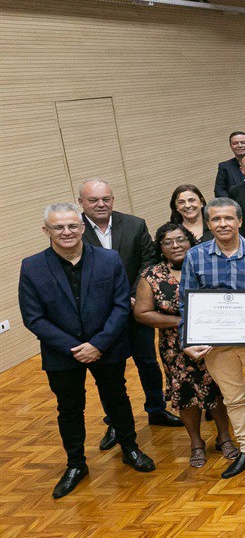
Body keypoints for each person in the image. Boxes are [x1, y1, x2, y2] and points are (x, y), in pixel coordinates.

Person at [19, 204, 157, 498]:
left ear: (82, 227)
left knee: (117, 398)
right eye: (58, 227)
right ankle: (76, 464)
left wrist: (98, 344)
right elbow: (33, 317)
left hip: (107, 347)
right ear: (46, 231)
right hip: (62, 353)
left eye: (72, 225)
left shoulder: (109, 259)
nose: (66, 232)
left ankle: (130, 448)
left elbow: (121, 304)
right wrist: (75, 348)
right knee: (69, 409)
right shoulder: (31, 267)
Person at [180, 197, 245, 478]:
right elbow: (186, 303)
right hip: (216, 345)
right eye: (216, 219)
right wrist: (188, 340)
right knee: (234, 399)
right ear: (208, 223)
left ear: (239, 221)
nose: (222, 224)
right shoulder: (195, 256)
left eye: (228, 218)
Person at [78, 179, 180, 432]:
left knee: (148, 363)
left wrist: (134, 296)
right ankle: (115, 422)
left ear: (113, 200)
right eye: (93, 200)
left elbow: (148, 261)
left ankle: (156, 409)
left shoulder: (135, 224)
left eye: (106, 199)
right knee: (109, 372)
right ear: (81, 202)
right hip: (101, 317)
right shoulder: (74, 230)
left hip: (136, 311)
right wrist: (119, 301)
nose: (101, 204)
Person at [134, 222, 237, 468]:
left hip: (213, 341)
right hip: (175, 346)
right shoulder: (151, 275)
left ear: (191, 242)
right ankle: (196, 443)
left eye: (181, 239)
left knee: (218, 390)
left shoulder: (208, 266)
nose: (175, 245)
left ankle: (224, 437)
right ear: (160, 248)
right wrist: (183, 321)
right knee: (185, 394)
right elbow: (142, 313)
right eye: (167, 242)